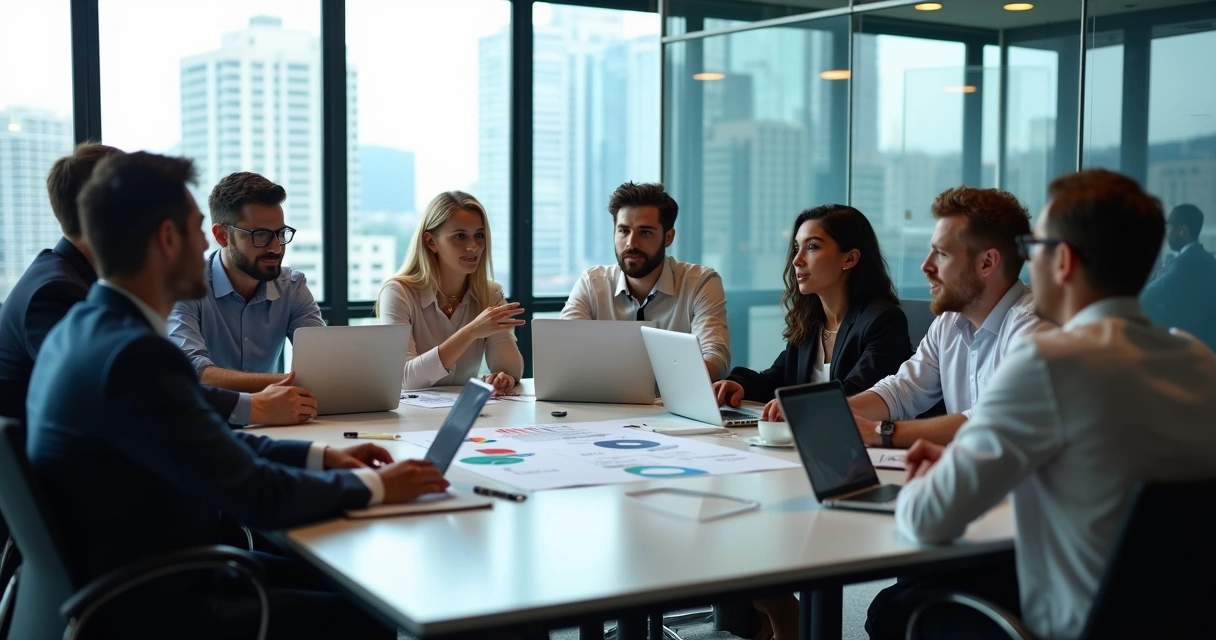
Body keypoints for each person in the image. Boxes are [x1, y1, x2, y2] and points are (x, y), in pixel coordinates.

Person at [26, 151, 450, 639]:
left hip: (146, 574)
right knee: (366, 613)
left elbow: (212, 443)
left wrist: (320, 457)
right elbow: (256, 495)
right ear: (168, 239)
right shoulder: (134, 356)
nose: (207, 241)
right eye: (196, 227)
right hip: (155, 605)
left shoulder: (84, 329)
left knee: (346, 586)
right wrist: (379, 487)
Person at [873, 169, 1216, 640]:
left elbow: (925, 518)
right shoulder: (1198, 360)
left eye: (1035, 250)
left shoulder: (1049, 361)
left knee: (897, 609)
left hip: (1066, 627)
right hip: (1182, 622)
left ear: (1064, 263)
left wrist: (936, 478)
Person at [0, 143, 313, 426]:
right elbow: (147, 397)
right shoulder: (57, 293)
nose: (202, 242)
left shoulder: (75, 284)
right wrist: (256, 406)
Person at [848, 186, 1051, 448]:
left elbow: (993, 420)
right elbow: (902, 390)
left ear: (987, 263)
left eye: (942, 254)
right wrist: (833, 412)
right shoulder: (949, 322)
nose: (925, 266)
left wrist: (880, 433)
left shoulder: (1035, 326)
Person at [712, 204, 912, 423]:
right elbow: (776, 379)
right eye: (797, 248)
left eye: (812, 247)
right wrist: (740, 385)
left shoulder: (883, 321)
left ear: (850, 259)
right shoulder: (811, 320)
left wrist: (797, 403)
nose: (797, 260)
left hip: (864, 446)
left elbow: (855, 395)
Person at [169, 172, 325, 393]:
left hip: (276, 422)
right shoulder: (184, 286)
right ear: (222, 236)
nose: (276, 248)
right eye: (261, 235)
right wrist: (291, 383)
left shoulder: (292, 287)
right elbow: (195, 372)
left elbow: (322, 365)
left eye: (281, 233)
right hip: (205, 421)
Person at [561, 181, 731, 381]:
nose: (631, 243)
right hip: (603, 407)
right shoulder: (592, 283)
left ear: (668, 237)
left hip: (671, 408)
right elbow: (564, 352)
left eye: (645, 232)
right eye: (624, 231)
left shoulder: (700, 283)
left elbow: (715, 356)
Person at [376, 190, 524, 394]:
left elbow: (512, 370)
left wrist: (503, 377)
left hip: (468, 416)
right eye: (460, 236)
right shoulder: (397, 293)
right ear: (431, 242)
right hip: (411, 420)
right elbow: (405, 378)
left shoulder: (490, 293)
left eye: (479, 235)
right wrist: (471, 331)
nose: (473, 246)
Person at [1141, 203, 1216, 350]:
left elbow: (1147, 296)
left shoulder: (1186, 262)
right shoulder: (1208, 259)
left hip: (1187, 347)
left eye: (1169, 227)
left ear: (1182, 231)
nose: (1166, 232)